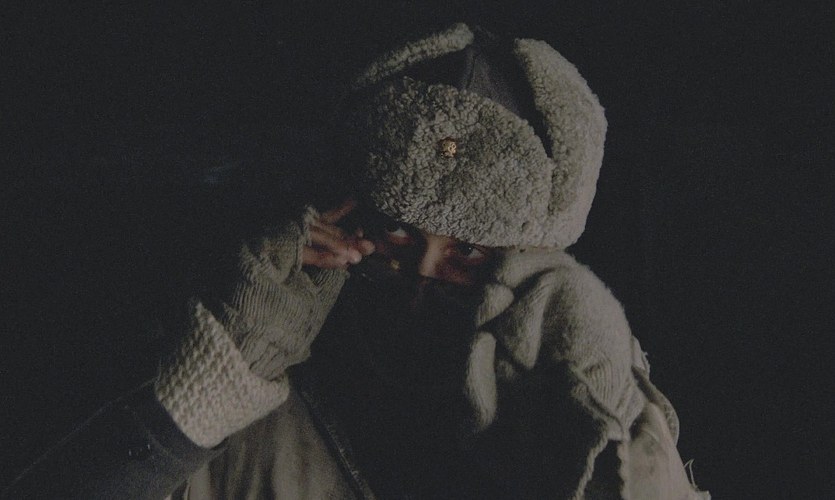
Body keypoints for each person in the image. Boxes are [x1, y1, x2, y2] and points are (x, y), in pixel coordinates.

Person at [2, 23, 710, 499]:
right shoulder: (250, 363)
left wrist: (607, 413)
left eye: (467, 250)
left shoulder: (569, 387)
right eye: (396, 233)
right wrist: (208, 386)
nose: (422, 276)